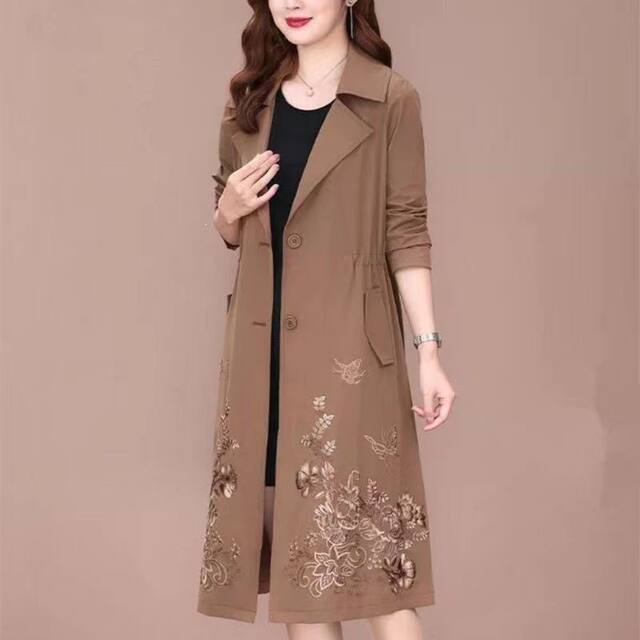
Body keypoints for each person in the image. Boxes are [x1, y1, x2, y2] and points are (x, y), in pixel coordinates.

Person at [201, 1, 456, 637]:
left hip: (350, 357)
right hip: (265, 358)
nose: (293, 2)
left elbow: (406, 229)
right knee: (301, 572)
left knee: (380, 570)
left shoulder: (390, 98)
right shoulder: (249, 104)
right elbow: (228, 221)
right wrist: (228, 210)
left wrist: (428, 351)